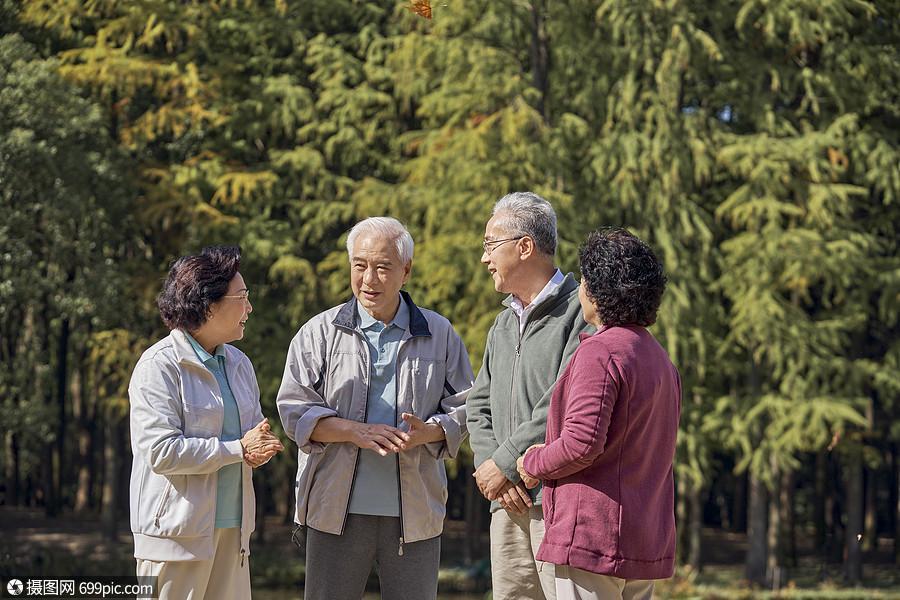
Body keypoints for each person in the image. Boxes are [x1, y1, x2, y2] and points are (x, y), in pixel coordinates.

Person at [276, 217, 473, 600]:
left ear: (406, 271)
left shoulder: (440, 333)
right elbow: (293, 409)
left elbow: (467, 407)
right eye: (360, 265)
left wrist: (429, 433)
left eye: (383, 267)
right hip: (334, 513)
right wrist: (353, 431)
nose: (369, 279)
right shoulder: (319, 332)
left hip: (415, 515)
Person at [516, 228, 681, 600]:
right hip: (643, 535)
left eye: (584, 281)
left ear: (596, 290)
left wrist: (532, 462)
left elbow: (581, 443)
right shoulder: (660, 360)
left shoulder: (600, 352)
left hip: (594, 533)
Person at [129, 246, 284, 600]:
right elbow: (161, 452)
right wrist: (238, 449)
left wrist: (259, 450)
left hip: (235, 531)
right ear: (208, 303)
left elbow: (251, 434)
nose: (250, 308)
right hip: (175, 537)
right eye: (242, 297)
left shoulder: (239, 363)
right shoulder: (159, 366)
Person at [466, 192, 593, 600]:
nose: (484, 258)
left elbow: (564, 401)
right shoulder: (502, 324)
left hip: (557, 502)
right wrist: (494, 472)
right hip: (506, 503)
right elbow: (477, 404)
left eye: (490, 245)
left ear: (524, 247)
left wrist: (504, 464)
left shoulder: (582, 312)